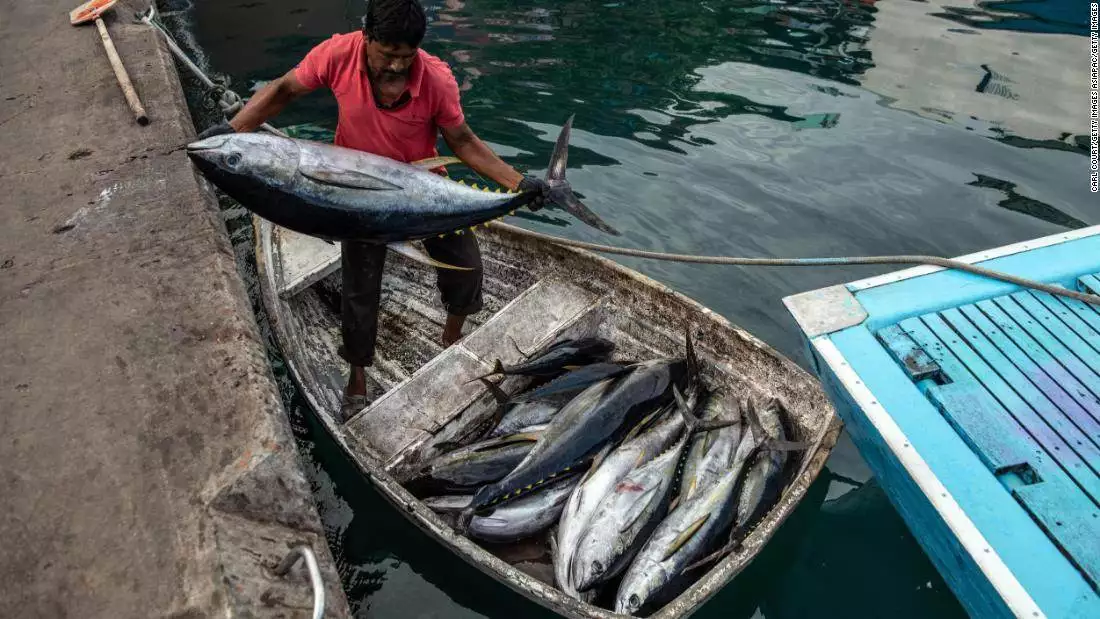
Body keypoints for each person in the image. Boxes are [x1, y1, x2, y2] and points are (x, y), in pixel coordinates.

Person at [199, 0, 550, 421]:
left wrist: (517, 184)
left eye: (407, 56)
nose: (399, 66)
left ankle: (451, 339)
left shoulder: (436, 79)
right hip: (352, 200)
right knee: (360, 292)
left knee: (468, 269)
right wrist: (232, 132)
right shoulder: (337, 54)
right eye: (388, 54)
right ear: (366, 38)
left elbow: (463, 141)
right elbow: (284, 89)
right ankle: (358, 376)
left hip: (423, 192)